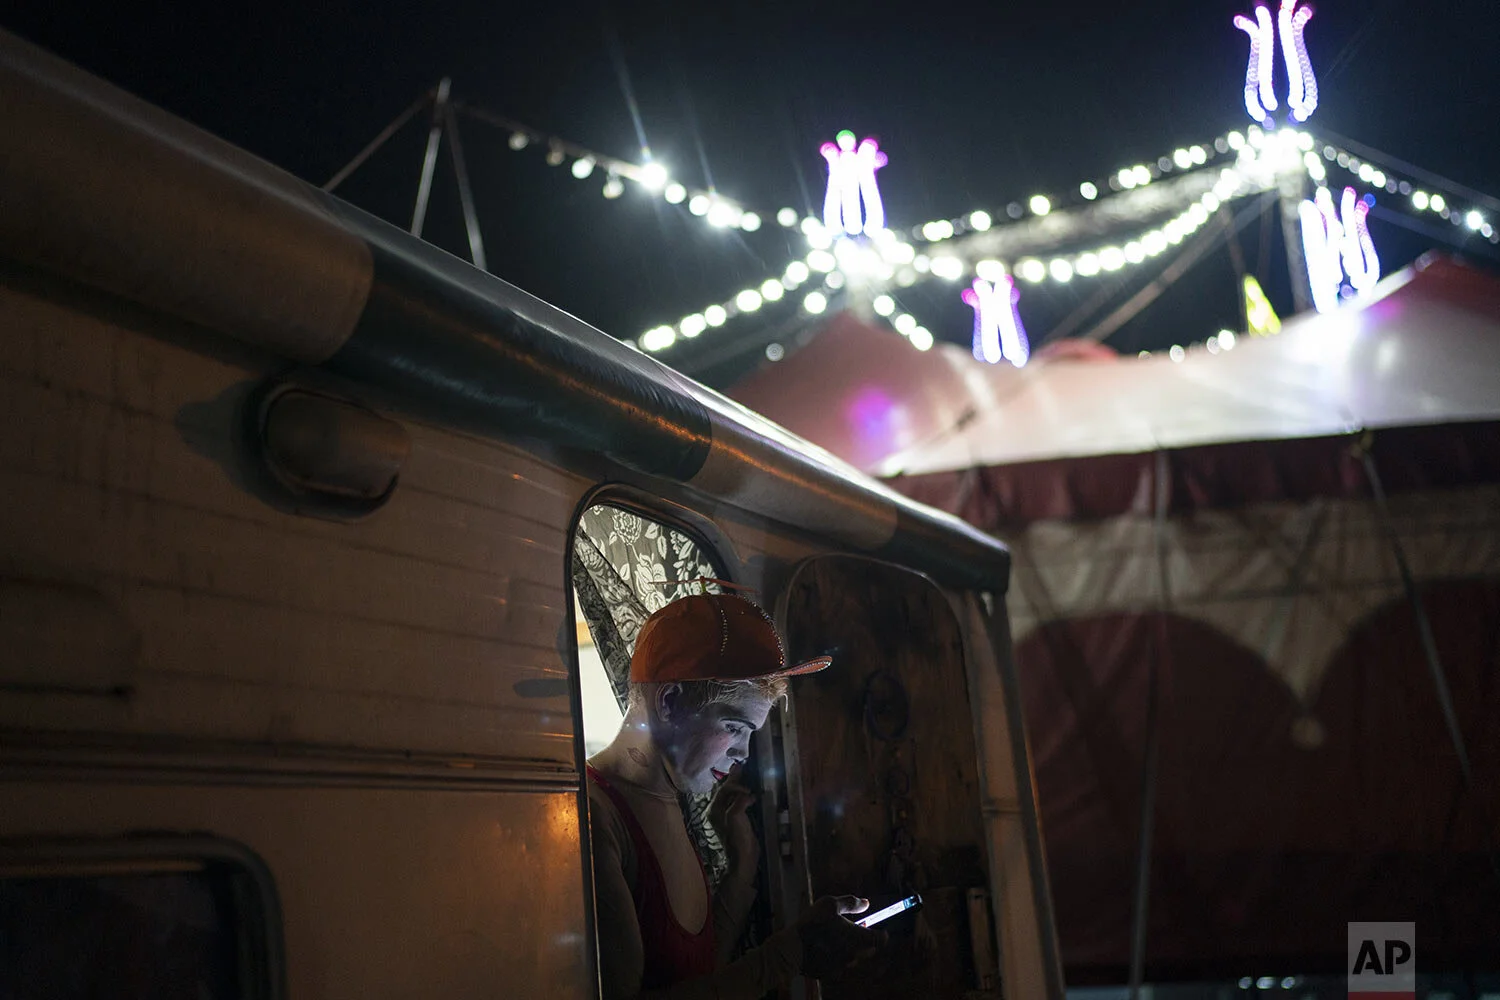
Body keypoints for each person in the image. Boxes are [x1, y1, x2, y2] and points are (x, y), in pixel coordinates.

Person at [588, 590, 886, 1000]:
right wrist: (789, 954)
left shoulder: (672, 797)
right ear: (671, 702)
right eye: (734, 727)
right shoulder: (593, 817)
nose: (743, 753)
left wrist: (742, 867)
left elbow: (700, 971)